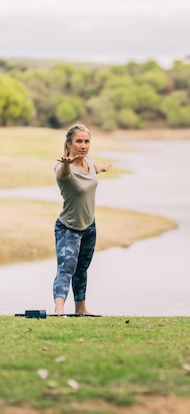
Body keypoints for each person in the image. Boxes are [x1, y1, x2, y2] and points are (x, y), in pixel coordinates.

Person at [53, 124, 111, 315]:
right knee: (66, 268)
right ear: (69, 144)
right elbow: (63, 173)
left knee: (82, 269)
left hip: (89, 226)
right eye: (79, 141)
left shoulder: (88, 163)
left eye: (87, 141)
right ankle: (59, 310)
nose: (83, 145)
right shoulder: (63, 168)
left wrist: (100, 168)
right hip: (68, 228)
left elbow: (92, 168)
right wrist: (67, 163)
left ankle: (81, 309)